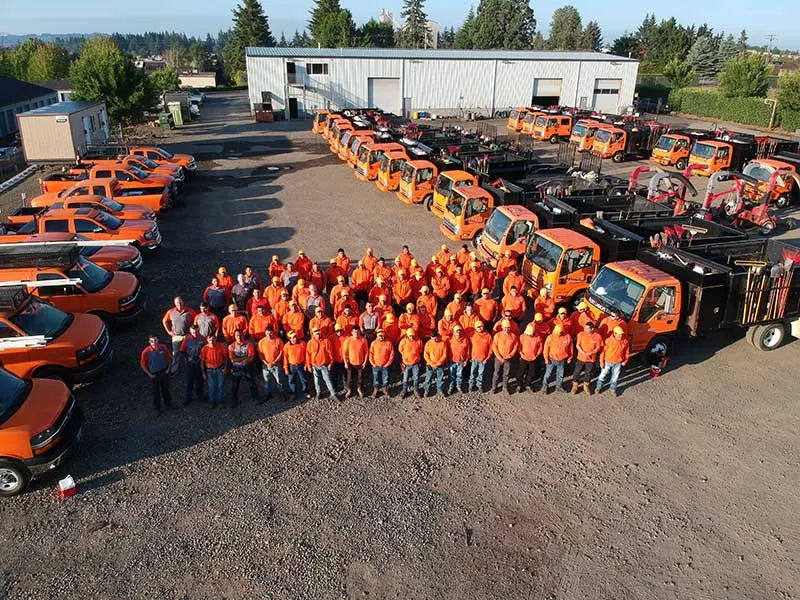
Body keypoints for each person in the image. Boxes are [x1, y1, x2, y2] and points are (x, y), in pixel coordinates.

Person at [162, 296, 196, 374]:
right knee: (175, 353)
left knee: (188, 353)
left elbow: (196, 320)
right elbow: (164, 321)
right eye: (177, 302)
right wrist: (169, 331)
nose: (179, 304)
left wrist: (193, 332)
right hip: (176, 336)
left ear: (183, 302)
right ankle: (174, 370)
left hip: (187, 336)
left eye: (180, 302)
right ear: (174, 303)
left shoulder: (190, 311)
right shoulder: (171, 312)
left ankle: (188, 369)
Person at [140, 334, 172, 412]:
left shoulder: (163, 347)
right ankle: (158, 408)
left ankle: (168, 404)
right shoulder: (146, 351)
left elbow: (169, 358)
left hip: (164, 372)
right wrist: (149, 374)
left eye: (155, 340)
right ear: (149, 342)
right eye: (152, 341)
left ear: (158, 340)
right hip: (154, 374)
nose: (154, 342)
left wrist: (168, 368)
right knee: (156, 392)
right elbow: (142, 364)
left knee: (166, 389)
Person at [228, 329, 260, 406]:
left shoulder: (249, 344)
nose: (239, 337)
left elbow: (251, 357)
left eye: (240, 335)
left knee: (252, 382)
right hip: (236, 368)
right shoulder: (231, 346)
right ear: (234, 337)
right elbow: (232, 359)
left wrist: (238, 359)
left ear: (243, 335)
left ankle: (256, 398)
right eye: (237, 335)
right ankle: (234, 400)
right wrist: (245, 358)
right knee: (235, 385)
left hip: (248, 366)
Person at [596, 326, 630, 396]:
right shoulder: (608, 341)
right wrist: (601, 362)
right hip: (607, 361)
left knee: (615, 377)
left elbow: (627, 352)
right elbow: (603, 352)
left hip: (618, 363)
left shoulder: (625, 342)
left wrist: (625, 361)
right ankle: (599, 387)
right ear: (614, 333)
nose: (620, 335)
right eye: (619, 334)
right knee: (603, 375)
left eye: (621, 334)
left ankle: (613, 389)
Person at [306, 327, 338, 400]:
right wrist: (309, 366)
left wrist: (330, 363)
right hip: (314, 365)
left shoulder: (326, 341)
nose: (317, 334)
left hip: (324, 365)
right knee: (316, 380)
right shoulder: (310, 343)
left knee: (327, 379)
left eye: (318, 332)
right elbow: (308, 355)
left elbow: (330, 353)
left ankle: (333, 393)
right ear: (312, 334)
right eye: (315, 333)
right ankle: (318, 392)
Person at [541, 324, 574, 394]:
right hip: (551, 359)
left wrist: (570, 357)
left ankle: (559, 386)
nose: (557, 333)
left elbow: (571, 348)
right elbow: (546, 349)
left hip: (562, 360)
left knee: (560, 374)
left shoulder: (568, 337)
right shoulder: (550, 337)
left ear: (562, 331)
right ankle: (545, 386)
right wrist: (546, 359)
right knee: (548, 374)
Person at [572, 321, 603, 394]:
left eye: (587, 328)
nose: (585, 330)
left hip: (591, 359)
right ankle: (575, 386)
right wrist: (582, 352)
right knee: (577, 371)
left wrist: (590, 353)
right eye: (584, 328)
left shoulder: (598, 336)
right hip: (580, 358)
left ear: (592, 329)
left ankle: (586, 386)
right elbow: (577, 345)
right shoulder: (581, 334)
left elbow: (598, 348)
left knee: (588, 373)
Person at [491, 319, 519, 394]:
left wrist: (510, 355)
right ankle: (494, 386)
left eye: (508, 327)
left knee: (506, 374)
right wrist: (499, 357)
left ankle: (505, 387)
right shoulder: (497, 335)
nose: (507, 329)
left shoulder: (513, 336)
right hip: (498, 358)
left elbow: (515, 347)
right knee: (496, 373)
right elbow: (494, 347)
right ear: (502, 327)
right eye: (505, 327)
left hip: (508, 359)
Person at [179, 325, 205, 405]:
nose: (195, 334)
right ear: (190, 332)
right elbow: (182, 351)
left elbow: (206, 350)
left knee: (200, 381)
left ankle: (200, 396)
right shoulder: (187, 339)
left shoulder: (203, 339)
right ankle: (188, 397)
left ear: (199, 330)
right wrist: (188, 358)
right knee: (189, 381)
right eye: (193, 332)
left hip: (199, 362)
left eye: (197, 332)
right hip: (189, 363)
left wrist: (202, 359)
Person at [200, 334, 228, 408]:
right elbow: (202, 362)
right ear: (207, 340)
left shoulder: (221, 346)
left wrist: (225, 368)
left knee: (220, 386)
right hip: (210, 370)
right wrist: (203, 372)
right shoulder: (204, 349)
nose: (211, 341)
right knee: (211, 387)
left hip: (220, 369)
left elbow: (225, 358)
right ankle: (212, 401)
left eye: (213, 339)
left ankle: (220, 401)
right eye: (210, 340)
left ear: (216, 339)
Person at [258, 327, 285, 401]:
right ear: (265, 333)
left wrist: (274, 362)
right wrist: (266, 363)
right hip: (265, 365)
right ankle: (268, 393)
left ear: (273, 332)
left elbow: (281, 353)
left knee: (279, 380)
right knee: (267, 381)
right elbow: (260, 354)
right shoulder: (261, 342)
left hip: (276, 364)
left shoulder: (278, 340)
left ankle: (281, 393)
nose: (269, 335)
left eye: (270, 333)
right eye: (267, 333)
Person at [342, 327, 369, 398]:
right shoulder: (348, 340)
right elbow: (344, 353)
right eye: (354, 332)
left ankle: (359, 389)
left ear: (359, 332)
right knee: (349, 377)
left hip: (360, 362)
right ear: (352, 332)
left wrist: (365, 362)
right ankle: (349, 390)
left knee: (360, 377)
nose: (356, 333)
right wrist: (345, 362)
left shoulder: (363, 340)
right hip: (350, 362)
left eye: (357, 332)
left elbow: (366, 352)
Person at [517, 324, 544, 394]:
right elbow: (519, 346)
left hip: (533, 358)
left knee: (531, 373)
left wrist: (537, 355)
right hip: (524, 358)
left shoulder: (538, 337)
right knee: (520, 372)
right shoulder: (522, 336)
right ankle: (519, 384)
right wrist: (521, 354)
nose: (529, 335)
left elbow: (540, 347)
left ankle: (527, 384)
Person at [283, 331, 309, 399]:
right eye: (292, 338)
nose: (294, 339)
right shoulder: (286, 346)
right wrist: (286, 368)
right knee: (291, 380)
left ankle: (305, 391)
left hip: (301, 364)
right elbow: (285, 358)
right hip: (292, 365)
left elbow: (306, 355)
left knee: (304, 379)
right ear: (289, 338)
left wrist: (306, 364)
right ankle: (293, 393)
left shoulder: (302, 343)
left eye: (295, 337)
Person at [369, 328, 394, 397]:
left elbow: (391, 354)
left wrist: (388, 364)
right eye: (379, 336)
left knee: (385, 378)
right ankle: (376, 389)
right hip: (375, 365)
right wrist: (372, 363)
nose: (381, 337)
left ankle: (385, 388)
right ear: (377, 336)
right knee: (375, 378)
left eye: (382, 336)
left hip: (385, 365)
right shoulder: (373, 343)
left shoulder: (388, 343)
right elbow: (371, 353)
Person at [399, 328, 423, 398]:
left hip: (416, 363)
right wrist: (406, 357)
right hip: (406, 363)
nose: (411, 337)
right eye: (410, 336)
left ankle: (416, 390)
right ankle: (404, 391)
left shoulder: (419, 341)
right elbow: (400, 350)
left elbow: (420, 350)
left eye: (413, 335)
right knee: (405, 379)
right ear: (407, 335)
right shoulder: (403, 341)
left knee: (416, 378)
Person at [423, 330, 448, 397]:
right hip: (430, 365)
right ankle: (426, 390)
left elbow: (444, 354)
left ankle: (440, 390)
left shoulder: (443, 343)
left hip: (440, 365)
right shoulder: (428, 343)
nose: (433, 338)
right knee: (428, 378)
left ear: (437, 336)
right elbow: (425, 355)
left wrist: (439, 363)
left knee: (440, 379)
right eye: (432, 337)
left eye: (434, 337)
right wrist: (431, 363)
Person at [469, 321, 493, 392]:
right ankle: (471, 385)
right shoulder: (472, 335)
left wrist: (487, 358)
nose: (480, 328)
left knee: (481, 373)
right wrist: (470, 356)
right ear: (475, 328)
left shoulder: (488, 336)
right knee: (472, 373)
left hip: (483, 359)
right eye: (478, 327)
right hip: (474, 358)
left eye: (481, 326)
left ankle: (479, 385)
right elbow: (469, 346)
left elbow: (491, 348)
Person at [448, 325, 470, 394]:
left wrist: (466, 360)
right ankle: (451, 386)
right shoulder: (450, 340)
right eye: (456, 331)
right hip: (452, 361)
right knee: (451, 374)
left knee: (459, 374)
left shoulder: (465, 340)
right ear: (453, 332)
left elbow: (468, 351)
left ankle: (458, 386)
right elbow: (447, 351)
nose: (458, 333)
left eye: (459, 331)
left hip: (461, 361)